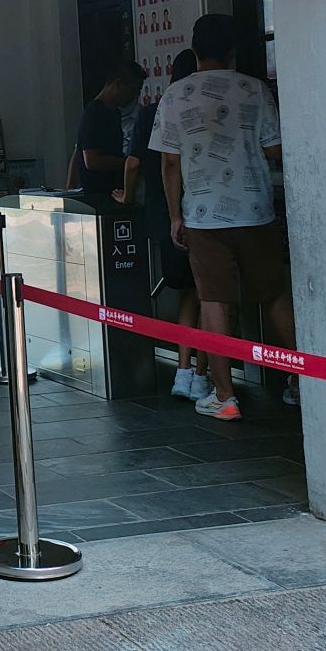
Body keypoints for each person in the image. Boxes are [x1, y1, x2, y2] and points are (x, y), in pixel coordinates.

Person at [149, 14, 297, 422]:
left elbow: (169, 164)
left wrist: (174, 215)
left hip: (203, 216)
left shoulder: (175, 95)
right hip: (256, 211)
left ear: (194, 50)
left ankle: (225, 396)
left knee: (214, 301)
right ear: (232, 52)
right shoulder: (255, 89)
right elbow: (275, 149)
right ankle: (304, 382)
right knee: (274, 295)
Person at [124, 50, 208, 398]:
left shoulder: (151, 112)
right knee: (210, 299)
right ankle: (202, 376)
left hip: (163, 218)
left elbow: (133, 163)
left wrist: (127, 197)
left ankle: (183, 372)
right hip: (201, 216)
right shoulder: (204, 108)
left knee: (188, 294)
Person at [76, 61, 142, 203]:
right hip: (99, 196)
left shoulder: (114, 113)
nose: (134, 97)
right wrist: (128, 163)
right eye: (133, 90)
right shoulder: (94, 113)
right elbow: (91, 160)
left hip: (114, 192)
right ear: (119, 84)